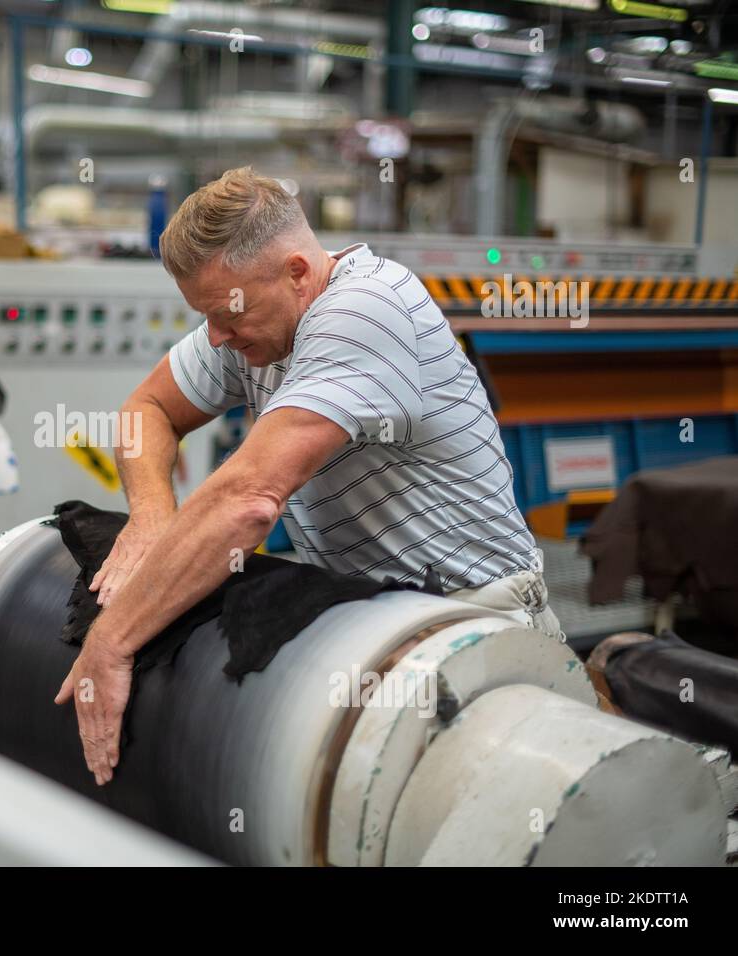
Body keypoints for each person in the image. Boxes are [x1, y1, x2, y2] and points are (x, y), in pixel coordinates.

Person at [54, 167, 561, 786]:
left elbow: (249, 500)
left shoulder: (365, 310)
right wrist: (152, 515)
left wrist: (111, 642)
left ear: (297, 271)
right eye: (206, 316)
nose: (216, 335)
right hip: (370, 622)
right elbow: (147, 410)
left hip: (474, 624)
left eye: (227, 313)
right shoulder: (249, 321)